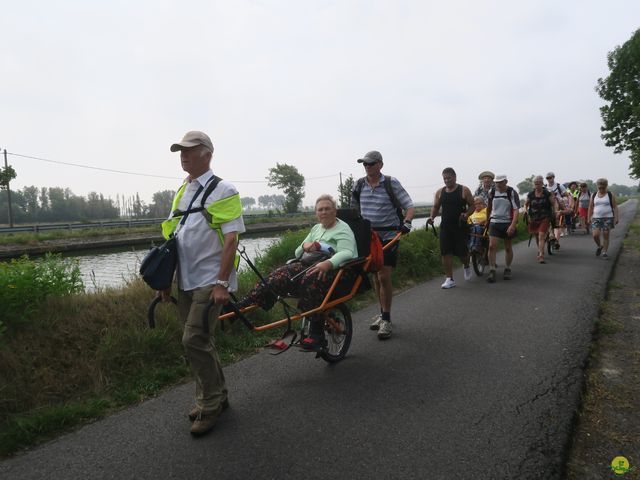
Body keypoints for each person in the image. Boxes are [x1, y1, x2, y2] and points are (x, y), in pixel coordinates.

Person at [159, 130, 245, 436]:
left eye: (189, 150)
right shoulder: (182, 191)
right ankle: (216, 396)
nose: (182, 155)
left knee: (192, 340)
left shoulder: (224, 189)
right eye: (180, 151)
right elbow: (173, 237)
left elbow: (232, 238)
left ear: (206, 154)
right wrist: (166, 279)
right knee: (200, 341)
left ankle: (209, 406)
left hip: (211, 279)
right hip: (185, 279)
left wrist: (222, 282)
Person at [237, 194, 357, 348]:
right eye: (320, 210)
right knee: (279, 275)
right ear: (316, 213)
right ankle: (246, 303)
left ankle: (316, 334)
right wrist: (305, 245)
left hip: (337, 269)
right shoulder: (316, 228)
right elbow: (297, 253)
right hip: (310, 263)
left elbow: (348, 252)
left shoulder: (343, 228)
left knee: (311, 279)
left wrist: (329, 263)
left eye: (327, 209)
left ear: (335, 211)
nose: (324, 212)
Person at [350, 150, 414, 340]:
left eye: (370, 164)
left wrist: (408, 222)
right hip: (369, 237)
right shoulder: (359, 184)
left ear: (380, 165)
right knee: (376, 278)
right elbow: (354, 210)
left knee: (383, 276)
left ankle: (386, 319)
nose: (367, 167)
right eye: (365, 164)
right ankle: (382, 312)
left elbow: (409, 206)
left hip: (389, 235)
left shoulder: (390, 183)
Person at [427, 167, 475, 289]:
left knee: (462, 254)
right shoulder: (440, 192)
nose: (447, 180)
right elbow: (436, 207)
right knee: (445, 253)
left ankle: (466, 266)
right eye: (445, 178)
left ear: (455, 177)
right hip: (445, 228)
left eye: (449, 178)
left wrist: (467, 214)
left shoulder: (464, 190)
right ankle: (449, 279)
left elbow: (472, 206)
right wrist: (432, 217)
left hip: (460, 227)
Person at [485, 174, 520, 282]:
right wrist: (487, 220)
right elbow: (489, 207)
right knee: (491, 246)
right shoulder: (492, 192)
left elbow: (516, 210)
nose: (498, 184)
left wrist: (512, 225)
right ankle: (492, 270)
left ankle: (508, 268)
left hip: (507, 222)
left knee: (508, 247)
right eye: (496, 182)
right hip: (494, 222)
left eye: (500, 182)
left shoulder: (511, 192)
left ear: (506, 181)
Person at [524, 176, 557, 263]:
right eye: (535, 184)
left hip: (545, 217)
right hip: (534, 217)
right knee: (536, 236)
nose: (537, 185)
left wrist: (555, 212)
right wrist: (525, 211)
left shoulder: (547, 193)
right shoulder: (530, 194)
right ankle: (540, 250)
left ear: (542, 184)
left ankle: (541, 255)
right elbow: (526, 204)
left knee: (541, 235)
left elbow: (553, 204)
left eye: (539, 184)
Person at [588, 178, 619, 258]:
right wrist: (588, 218)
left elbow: (615, 207)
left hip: (608, 218)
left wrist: (616, 218)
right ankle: (600, 246)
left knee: (606, 234)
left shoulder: (610, 194)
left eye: (603, 188)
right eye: (599, 188)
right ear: (597, 187)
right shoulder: (593, 195)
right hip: (596, 217)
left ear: (606, 186)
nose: (601, 189)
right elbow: (590, 207)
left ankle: (604, 252)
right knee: (595, 235)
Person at [545, 172, 569, 250]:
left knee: (557, 225)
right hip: (547, 207)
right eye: (547, 178)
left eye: (550, 177)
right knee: (547, 223)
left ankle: (556, 242)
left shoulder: (559, 186)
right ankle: (551, 237)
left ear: (553, 177)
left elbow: (567, 195)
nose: (549, 179)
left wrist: (564, 200)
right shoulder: (544, 187)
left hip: (558, 207)